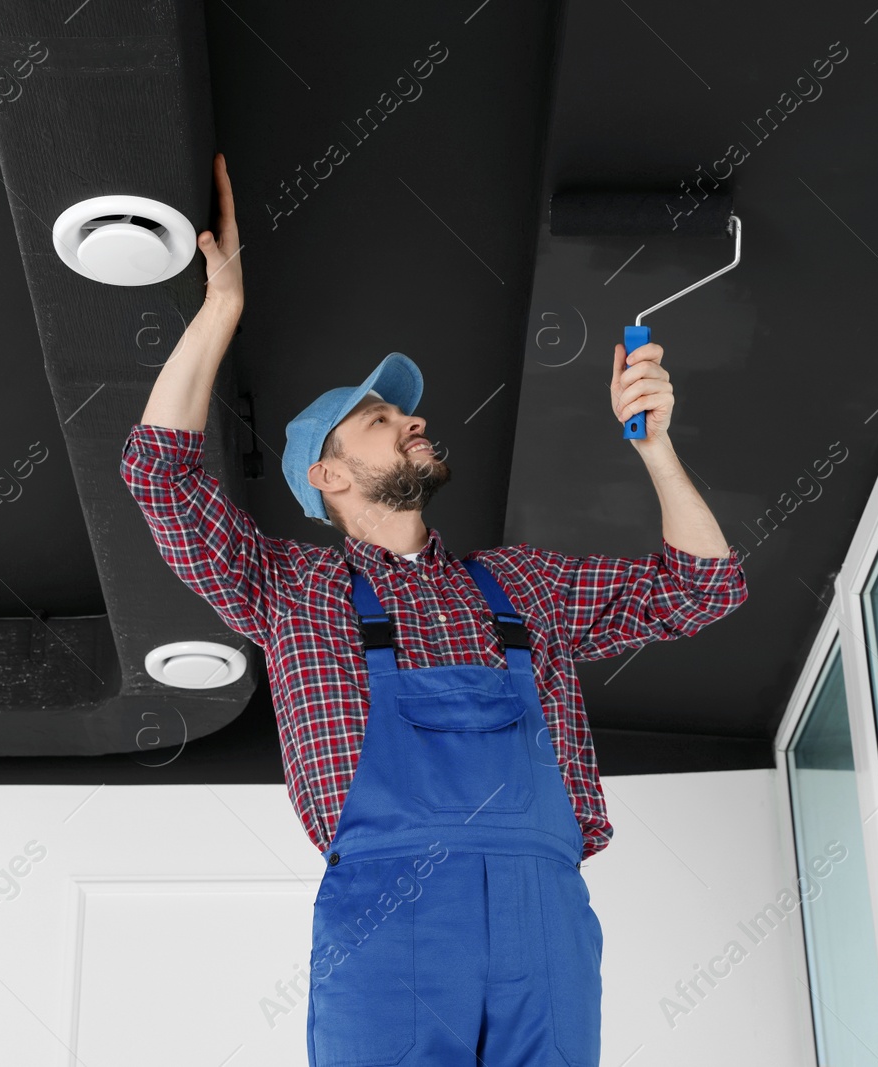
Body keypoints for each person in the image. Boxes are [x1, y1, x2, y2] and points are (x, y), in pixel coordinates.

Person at [121, 152, 748, 1066]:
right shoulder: (293, 591)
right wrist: (220, 311)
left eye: (405, 414)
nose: (413, 422)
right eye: (380, 420)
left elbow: (702, 588)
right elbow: (158, 474)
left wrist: (654, 449)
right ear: (327, 477)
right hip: (388, 913)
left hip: (544, 913)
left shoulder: (523, 583)